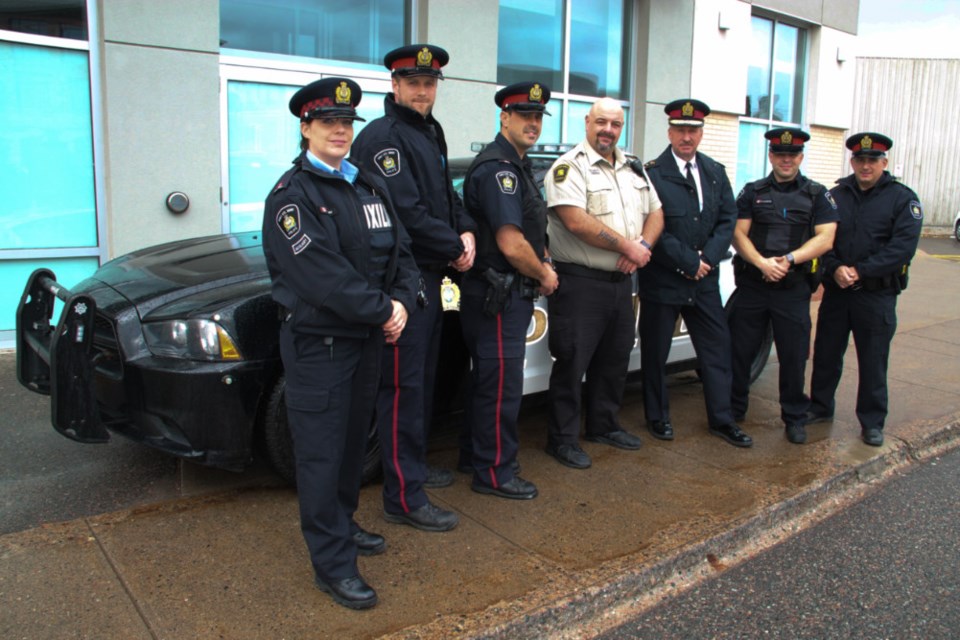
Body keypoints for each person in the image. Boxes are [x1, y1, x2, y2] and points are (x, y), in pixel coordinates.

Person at [261, 78, 419, 610]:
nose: (339, 130)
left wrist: (402, 302)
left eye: (346, 122)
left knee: (353, 448)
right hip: (320, 349)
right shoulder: (292, 197)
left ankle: (343, 525)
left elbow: (399, 253)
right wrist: (385, 311)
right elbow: (323, 278)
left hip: (366, 342)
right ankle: (331, 565)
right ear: (305, 127)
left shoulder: (368, 186)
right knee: (322, 456)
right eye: (327, 121)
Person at [351, 44, 475, 531]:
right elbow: (406, 214)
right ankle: (403, 499)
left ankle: (414, 471)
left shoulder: (428, 132)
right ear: (395, 85)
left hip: (432, 277)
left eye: (430, 83)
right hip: (403, 282)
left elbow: (447, 199)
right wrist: (456, 246)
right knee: (402, 389)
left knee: (419, 386)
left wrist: (466, 231)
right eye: (413, 83)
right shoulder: (383, 139)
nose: (423, 91)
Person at [542, 97, 664, 469]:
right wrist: (628, 245)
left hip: (620, 281)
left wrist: (641, 246)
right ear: (587, 122)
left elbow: (657, 213)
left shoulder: (633, 168)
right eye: (601, 122)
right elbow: (575, 220)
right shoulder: (569, 168)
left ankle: (603, 425)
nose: (608, 130)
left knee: (615, 357)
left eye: (615, 124)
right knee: (572, 360)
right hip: (580, 283)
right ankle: (561, 439)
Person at [459, 82, 559, 498]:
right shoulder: (500, 169)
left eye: (538, 117)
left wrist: (545, 256)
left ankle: (474, 456)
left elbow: (533, 229)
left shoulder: (518, 164)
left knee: (487, 380)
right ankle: (496, 472)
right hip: (499, 295)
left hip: (499, 292)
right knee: (501, 387)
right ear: (504, 117)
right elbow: (511, 243)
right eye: (524, 116)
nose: (532, 123)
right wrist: (545, 275)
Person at [641, 99, 751, 447]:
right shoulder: (651, 172)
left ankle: (722, 419)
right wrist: (689, 261)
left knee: (717, 350)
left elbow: (727, 218)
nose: (686, 136)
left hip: (704, 282)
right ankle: (657, 417)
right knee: (655, 354)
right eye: (680, 129)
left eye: (693, 130)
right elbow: (648, 227)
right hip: (664, 279)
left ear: (701, 133)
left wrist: (709, 257)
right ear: (669, 131)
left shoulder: (715, 171)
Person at [807, 132, 922, 446]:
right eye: (860, 159)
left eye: (873, 160)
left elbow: (901, 249)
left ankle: (872, 422)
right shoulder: (835, 196)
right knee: (827, 354)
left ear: (884, 162)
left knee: (873, 360)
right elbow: (820, 239)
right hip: (838, 291)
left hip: (876, 295)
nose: (866, 165)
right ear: (852, 161)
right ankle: (819, 407)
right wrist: (834, 268)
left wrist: (859, 271)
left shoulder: (902, 198)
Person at [729, 128, 838, 445]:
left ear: (800, 157)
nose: (786, 159)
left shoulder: (818, 194)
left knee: (793, 356)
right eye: (780, 154)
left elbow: (826, 238)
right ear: (771, 156)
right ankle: (733, 410)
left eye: (792, 155)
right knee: (740, 351)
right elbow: (738, 234)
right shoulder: (752, 191)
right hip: (754, 286)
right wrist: (763, 263)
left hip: (792, 289)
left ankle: (794, 417)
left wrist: (788, 260)